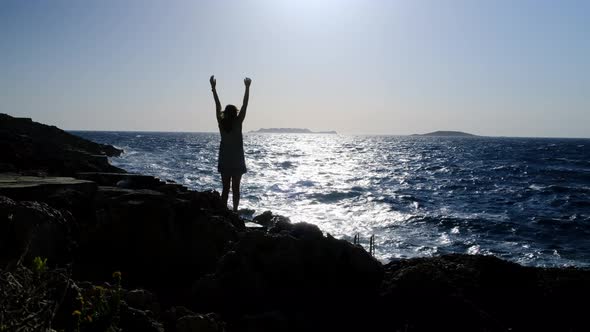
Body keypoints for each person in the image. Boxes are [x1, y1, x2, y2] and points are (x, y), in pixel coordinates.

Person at [210, 75, 251, 211]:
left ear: (225, 113)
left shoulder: (221, 123)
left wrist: (214, 89)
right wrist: (247, 88)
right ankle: (234, 212)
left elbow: (217, 105)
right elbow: (245, 105)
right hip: (237, 160)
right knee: (236, 189)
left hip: (225, 160)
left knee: (226, 188)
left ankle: (224, 213)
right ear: (235, 113)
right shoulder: (238, 123)